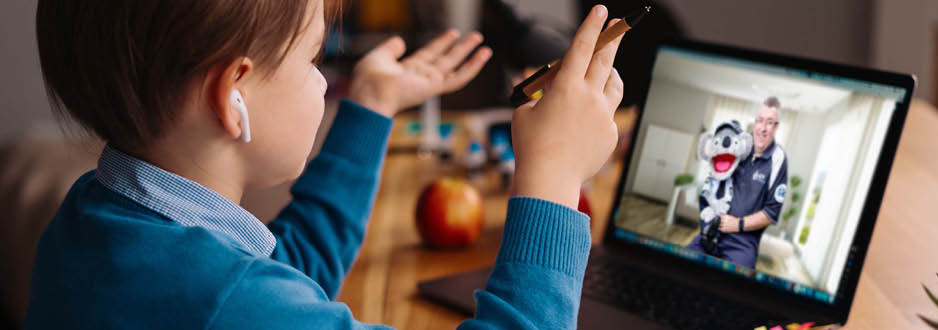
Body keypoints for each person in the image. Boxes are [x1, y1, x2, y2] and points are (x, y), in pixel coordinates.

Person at [24, 1, 624, 329]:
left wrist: (370, 105)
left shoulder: (93, 222)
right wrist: (551, 177)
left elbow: (288, 277)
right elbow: (254, 301)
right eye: (316, 59)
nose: (322, 82)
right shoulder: (231, 305)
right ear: (233, 95)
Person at [688, 97, 788, 269]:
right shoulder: (739, 144)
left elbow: (771, 213)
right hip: (710, 233)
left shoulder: (778, 159)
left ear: (776, 126)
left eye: (770, 123)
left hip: (742, 244)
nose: (763, 128)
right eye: (760, 121)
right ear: (755, 121)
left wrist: (738, 224)